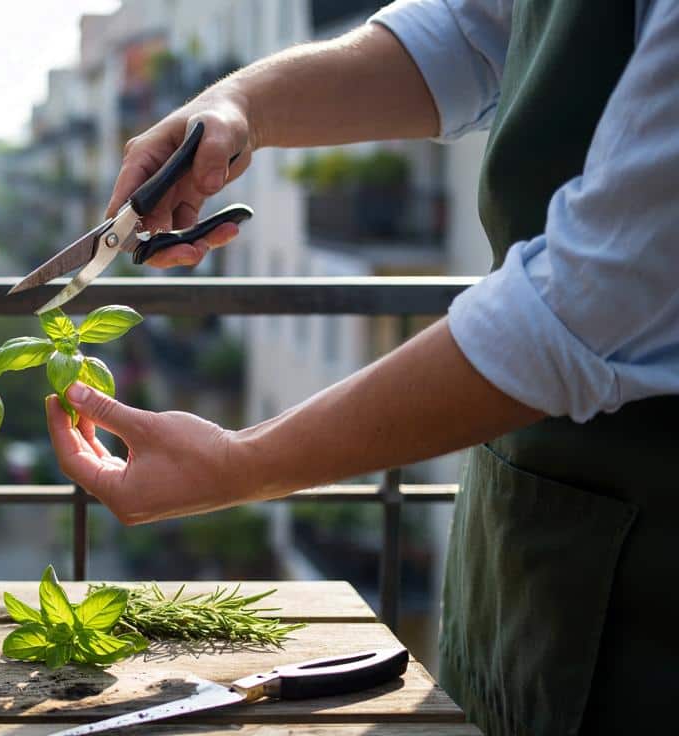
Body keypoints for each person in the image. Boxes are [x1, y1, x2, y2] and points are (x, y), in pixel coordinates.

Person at [44, 1, 679, 734]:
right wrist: (240, 104)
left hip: (647, 612)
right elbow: (475, 33)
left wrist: (236, 464)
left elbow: (590, 302)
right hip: (525, 559)